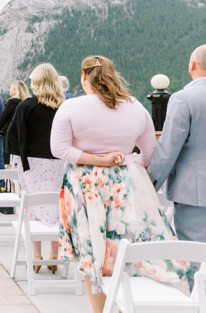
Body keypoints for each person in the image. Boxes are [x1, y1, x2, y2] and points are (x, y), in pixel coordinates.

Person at [51, 55, 188, 312]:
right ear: (112, 74)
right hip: (130, 184)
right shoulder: (136, 107)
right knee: (128, 249)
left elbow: (59, 148)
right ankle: (126, 306)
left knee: (93, 252)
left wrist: (98, 160)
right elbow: (149, 154)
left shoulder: (70, 107)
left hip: (85, 185)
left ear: (84, 76)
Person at [8, 64, 64, 272]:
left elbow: (14, 135)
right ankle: (54, 254)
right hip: (59, 161)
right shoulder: (63, 106)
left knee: (33, 204)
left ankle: (37, 253)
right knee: (57, 202)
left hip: (32, 162)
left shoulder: (26, 106)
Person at [149, 44, 206, 245]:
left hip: (196, 194)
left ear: (192, 65)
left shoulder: (184, 99)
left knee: (196, 258)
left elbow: (168, 149)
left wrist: (150, 184)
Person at [0, 80, 30, 167]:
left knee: (9, 160)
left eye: (11, 87)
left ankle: (10, 180)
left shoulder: (13, 102)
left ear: (16, 90)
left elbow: (3, 117)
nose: (9, 89)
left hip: (10, 133)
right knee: (18, 160)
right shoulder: (27, 102)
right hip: (22, 134)